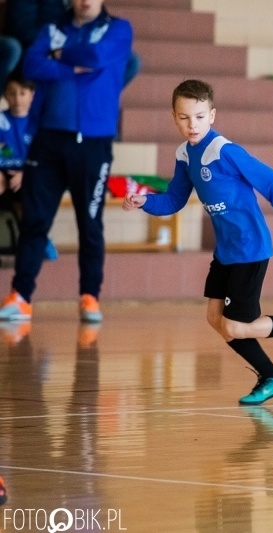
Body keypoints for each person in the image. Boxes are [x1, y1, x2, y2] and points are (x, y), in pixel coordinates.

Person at [123, 79, 273, 405]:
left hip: (250, 249)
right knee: (215, 319)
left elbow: (272, 180)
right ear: (174, 118)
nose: (192, 124)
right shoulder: (184, 155)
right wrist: (143, 201)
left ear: (212, 115)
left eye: (200, 116)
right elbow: (174, 201)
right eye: (185, 117)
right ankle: (272, 375)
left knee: (235, 326)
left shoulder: (224, 151)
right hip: (226, 252)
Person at [0, 0, 132, 323]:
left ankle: (89, 296)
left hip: (93, 143)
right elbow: (31, 65)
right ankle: (21, 296)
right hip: (47, 140)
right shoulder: (53, 28)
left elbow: (98, 57)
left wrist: (58, 55)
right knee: (35, 221)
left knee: (90, 225)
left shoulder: (118, 29)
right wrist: (72, 64)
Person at [2, 0, 140, 88]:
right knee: (13, 48)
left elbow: (96, 22)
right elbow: (21, 29)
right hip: (42, 50)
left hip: (74, 48)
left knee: (129, 60)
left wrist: (75, 52)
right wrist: (59, 49)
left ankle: (96, 104)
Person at [0, 72, 58, 262]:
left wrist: (26, 174)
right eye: (12, 93)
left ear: (32, 95)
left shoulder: (41, 123)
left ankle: (40, 240)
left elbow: (47, 160)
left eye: (22, 93)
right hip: (3, 174)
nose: (17, 99)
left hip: (29, 175)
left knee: (29, 196)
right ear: (5, 96)